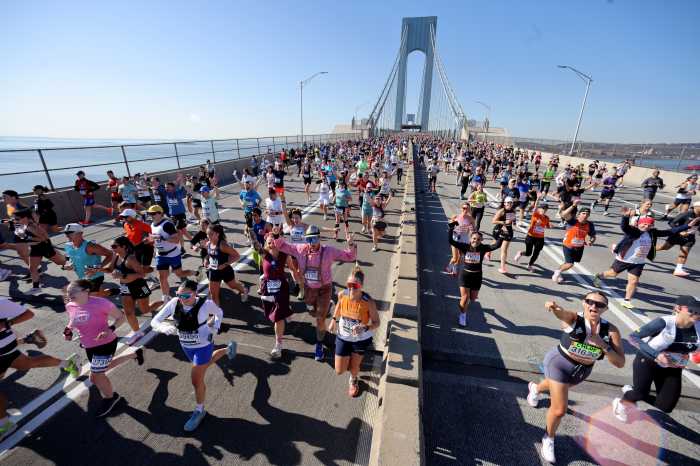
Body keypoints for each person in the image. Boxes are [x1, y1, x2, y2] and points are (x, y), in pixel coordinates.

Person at [527, 293, 625, 464]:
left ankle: (535, 389)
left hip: (582, 370)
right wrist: (555, 308)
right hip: (558, 362)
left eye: (599, 305)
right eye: (590, 302)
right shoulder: (575, 319)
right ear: (584, 303)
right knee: (559, 409)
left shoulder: (611, 331)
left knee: (553, 386)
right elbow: (563, 314)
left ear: (605, 309)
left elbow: (620, 362)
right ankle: (548, 438)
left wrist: (603, 345)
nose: (593, 306)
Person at [150, 280, 236, 432]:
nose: (182, 298)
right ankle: (227, 350)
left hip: (203, 346)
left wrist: (216, 326)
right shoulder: (174, 303)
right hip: (186, 346)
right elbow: (154, 321)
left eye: (186, 295)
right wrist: (162, 327)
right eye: (179, 294)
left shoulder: (206, 304)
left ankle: (199, 410)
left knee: (196, 379)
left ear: (195, 293)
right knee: (205, 364)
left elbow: (219, 312)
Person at [273, 225, 357, 361]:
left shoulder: (329, 251)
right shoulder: (300, 249)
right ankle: (324, 308)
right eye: (309, 239)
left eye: (315, 239)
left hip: (324, 289)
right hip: (308, 289)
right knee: (312, 312)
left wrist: (351, 244)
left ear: (319, 238)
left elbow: (350, 256)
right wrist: (276, 235)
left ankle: (319, 345)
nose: (312, 243)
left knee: (320, 319)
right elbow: (283, 246)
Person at [0, 297, 80, 438]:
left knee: (26, 365)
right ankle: (69, 364)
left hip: (5, 348)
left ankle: (3, 423)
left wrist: (7, 323)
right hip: (5, 349)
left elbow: (29, 314)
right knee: (27, 364)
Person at [64, 280, 144, 417]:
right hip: (89, 345)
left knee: (97, 375)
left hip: (105, 344)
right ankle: (134, 354)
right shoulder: (70, 305)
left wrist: (110, 329)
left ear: (86, 291)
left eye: (73, 291)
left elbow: (121, 317)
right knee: (100, 372)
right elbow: (73, 320)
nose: (69, 294)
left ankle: (111, 398)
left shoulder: (101, 303)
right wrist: (68, 329)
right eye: (68, 291)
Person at [612, 296, 699, 422]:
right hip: (648, 361)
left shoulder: (698, 327)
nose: (697, 314)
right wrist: (657, 355)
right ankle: (623, 401)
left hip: (672, 368)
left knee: (666, 406)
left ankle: (635, 391)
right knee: (639, 394)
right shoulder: (664, 322)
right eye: (693, 310)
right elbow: (633, 337)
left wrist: (690, 354)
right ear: (678, 308)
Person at [593, 209, 698, 308]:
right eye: (644, 224)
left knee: (633, 281)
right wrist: (625, 217)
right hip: (624, 259)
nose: (646, 226)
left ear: (652, 226)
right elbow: (624, 227)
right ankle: (599, 276)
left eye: (649, 224)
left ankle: (627, 301)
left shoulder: (652, 233)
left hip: (639, 262)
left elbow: (670, 231)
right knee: (612, 273)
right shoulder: (633, 231)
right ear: (639, 224)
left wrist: (687, 226)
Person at [328, 267, 380, 397]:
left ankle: (354, 379)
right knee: (339, 370)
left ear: (361, 286)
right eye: (348, 285)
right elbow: (339, 305)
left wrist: (364, 327)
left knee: (354, 367)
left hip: (359, 339)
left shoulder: (368, 302)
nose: (351, 289)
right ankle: (351, 363)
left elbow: (377, 323)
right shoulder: (342, 294)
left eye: (354, 286)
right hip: (343, 336)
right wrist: (334, 320)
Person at [102, 236, 162, 345]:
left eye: (114, 246)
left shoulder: (131, 259)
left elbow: (142, 274)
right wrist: (98, 269)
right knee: (129, 312)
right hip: (126, 287)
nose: (112, 248)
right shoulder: (115, 256)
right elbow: (110, 269)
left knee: (145, 310)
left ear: (123, 247)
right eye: (111, 246)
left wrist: (123, 274)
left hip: (139, 286)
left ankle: (165, 303)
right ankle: (137, 332)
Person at [447, 227, 502, 327]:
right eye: (474, 239)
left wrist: (500, 236)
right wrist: (451, 228)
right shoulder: (465, 247)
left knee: (473, 298)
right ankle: (462, 315)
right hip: (465, 275)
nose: (476, 241)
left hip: (477, 276)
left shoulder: (483, 248)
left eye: (478, 239)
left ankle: (465, 306)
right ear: (470, 239)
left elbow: (496, 245)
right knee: (465, 297)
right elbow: (451, 240)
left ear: (481, 240)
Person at [12, 208, 67, 294]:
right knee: (32, 268)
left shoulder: (32, 226)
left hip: (44, 247)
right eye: (14, 219)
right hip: (35, 248)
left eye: (17, 219)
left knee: (61, 262)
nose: (15, 221)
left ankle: (74, 260)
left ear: (25, 218)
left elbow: (43, 239)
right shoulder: (25, 224)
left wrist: (25, 237)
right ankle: (36, 288)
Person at [259, 227, 294, 358]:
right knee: (270, 314)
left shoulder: (285, 254)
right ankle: (287, 312)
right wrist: (250, 228)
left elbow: (292, 269)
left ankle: (278, 345)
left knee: (277, 317)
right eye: (269, 241)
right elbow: (255, 244)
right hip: (267, 289)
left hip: (282, 290)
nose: (271, 242)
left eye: (273, 240)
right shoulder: (264, 254)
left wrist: (297, 281)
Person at [145, 205, 195, 299]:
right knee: (162, 277)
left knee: (179, 274)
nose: (151, 215)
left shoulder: (167, 224)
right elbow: (155, 239)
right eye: (149, 214)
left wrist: (161, 237)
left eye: (153, 213)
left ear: (160, 213)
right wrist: (149, 241)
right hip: (160, 255)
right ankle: (166, 298)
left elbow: (176, 240)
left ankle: (196, 273)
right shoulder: (152, 224)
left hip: (173, 254)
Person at [63, 223, 115, 296]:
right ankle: (113, 292)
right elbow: (70, 256)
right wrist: (70, 264)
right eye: (66, 233)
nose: (67, 235)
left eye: (70, 233)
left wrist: (97, 268)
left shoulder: (91, 246)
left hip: (95, 277)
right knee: (100, 294)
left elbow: (110, 254)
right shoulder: (68, 246)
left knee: (90, 300)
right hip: (82, 276)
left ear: (80, 233)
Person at [204, 224, 249, 306]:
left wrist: (225, 264)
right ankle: (217, 314)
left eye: (210, 234)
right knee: (213, 294)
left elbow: (236, 256)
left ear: (217, 234)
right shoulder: (208, 244)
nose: (208, 236)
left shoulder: (222, 245)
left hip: (225, 271)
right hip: (213, 271)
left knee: (232, 285)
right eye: (207, 234)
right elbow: (209, 254)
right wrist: (206, 260)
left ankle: (244, 290)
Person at [552, 205, 596, 284]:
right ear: (579, 214)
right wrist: (573, 205)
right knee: (570, 264)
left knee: (568, 262)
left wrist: (591, 241)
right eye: (583, 213)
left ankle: (559, 271)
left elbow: (593, 236)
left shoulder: (590, 225)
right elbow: (563, 215)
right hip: (568, 245)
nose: (585, 215)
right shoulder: (573, 221)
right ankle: (557, 273)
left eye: (587, 214)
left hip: (579, 247)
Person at [656, 201, 700, 277]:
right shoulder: (687, 214)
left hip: (690, 237)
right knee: (664, 247)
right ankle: (648, 249)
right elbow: (671, 222)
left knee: (684, 253)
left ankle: (678, 270)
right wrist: (680, 231)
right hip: (677, 235)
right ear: (696, 207)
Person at [513, 195, 551, 272]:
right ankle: (520, 253)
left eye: (545, 209)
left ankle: (530, 265)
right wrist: (538, 198)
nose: (544, 210)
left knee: (536, 253)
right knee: (528, 253)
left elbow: (547, 226)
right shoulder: (535, 214)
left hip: (540, 238)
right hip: (531, 236)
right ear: (539, 209)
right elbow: (535, 207)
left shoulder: (546, 218)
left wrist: (549, 226)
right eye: (543, 208)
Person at [445, 203, 475, 275]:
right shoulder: (456, 216)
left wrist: (472, 238)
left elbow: (473, 230)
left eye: (467, 208)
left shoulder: (471, 218)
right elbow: (449, 227)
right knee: (455, 257)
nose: (465, 210)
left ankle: (454, 268)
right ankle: (449, 267)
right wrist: (453, 224)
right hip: (455, 237)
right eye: (464, 208)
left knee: (460, 256)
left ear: (469, 209)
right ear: (461, 208)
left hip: (464, 238)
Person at [492, 197, 517, 274]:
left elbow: (513, 221)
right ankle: (487, 252)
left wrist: (513, 226)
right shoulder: (501, 211)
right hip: (499, 231)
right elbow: (493, 221)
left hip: (508, 232)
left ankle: (502, 267)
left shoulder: (513, 211)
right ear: (505, 203)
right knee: (496, 245)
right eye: (508, 203)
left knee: (504, 250)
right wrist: (503, 222)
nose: (509, 204)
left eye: (511, 203)